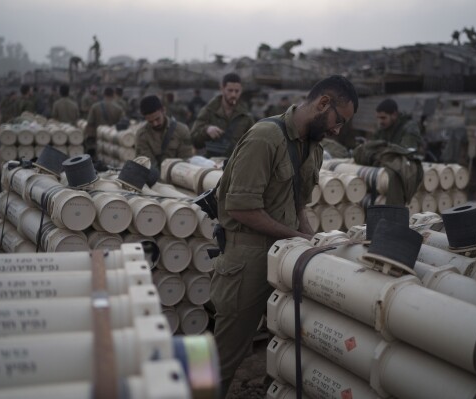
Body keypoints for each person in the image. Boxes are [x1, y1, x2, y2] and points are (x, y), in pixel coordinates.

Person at [210, 75, 358, 397]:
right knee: (222, 357)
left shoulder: (313, 148)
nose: (338, 130)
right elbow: (241, 208)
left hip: (286, 257)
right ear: (322, 104)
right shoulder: (266, 137)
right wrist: (296, 236)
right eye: (338, 120)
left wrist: (314, 241)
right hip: (247, 261)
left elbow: (296, 204)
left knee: (286, 348)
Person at [190, 73, 254, 158]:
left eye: (237, 91)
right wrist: (206, 131)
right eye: (230, 90)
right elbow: (194, 140)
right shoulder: (209, 111)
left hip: (236, 164)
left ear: (241, 90)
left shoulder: (246, 116)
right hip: (212, 164)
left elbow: (254, 143)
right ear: (222, 89)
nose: (233, 95)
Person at [135, 95, 193, 170]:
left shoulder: (182, 130)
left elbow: (186, 159)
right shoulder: (142, 135)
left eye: (157, 119)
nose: (155, 124)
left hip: (178, 174)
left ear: (163, 110)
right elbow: (147, 164)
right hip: (154, 179)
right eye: (150, 121)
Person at [84, 87, 125, 158]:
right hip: (113, 140)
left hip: (99, 139)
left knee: (99, 159)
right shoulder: (119, 109)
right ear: (113, 95)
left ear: (103, 94)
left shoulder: (95, 107)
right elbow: (123, 125)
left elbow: (90, 123)